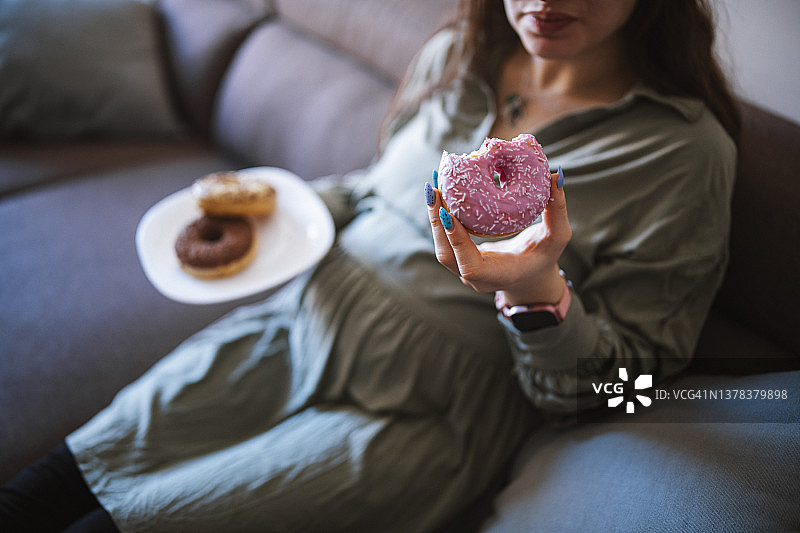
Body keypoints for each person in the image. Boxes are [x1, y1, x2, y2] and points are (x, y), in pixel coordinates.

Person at [0, 0, 739, 531]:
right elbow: (375, 190)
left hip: (417, 413)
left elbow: (626, 387)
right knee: (48, 485)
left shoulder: (683, 152)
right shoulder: (461, 52)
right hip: (290, 326)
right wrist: (273, 212)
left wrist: (536, 291)